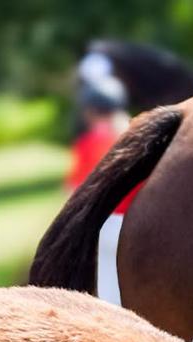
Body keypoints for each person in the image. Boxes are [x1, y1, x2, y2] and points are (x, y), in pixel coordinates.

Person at [67, 76, 132, 304]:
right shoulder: (133, 133)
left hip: (109, 225)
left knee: (109, 298)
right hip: (146, 219)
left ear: (90, 111)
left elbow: (74, 192)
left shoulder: (89, 142)